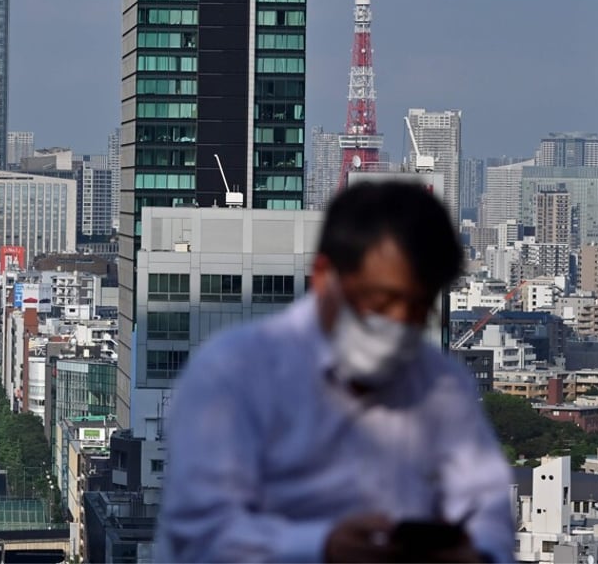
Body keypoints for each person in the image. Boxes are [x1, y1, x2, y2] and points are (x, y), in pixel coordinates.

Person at [154, 181, 516, 563]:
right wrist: (322, 546)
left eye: (419, 307)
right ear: (325, 276)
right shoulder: (235, 372)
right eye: (382, 300)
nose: (400, 321)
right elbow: (201, 534)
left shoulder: (441, 384)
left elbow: (487, 508)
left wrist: (474, 554)